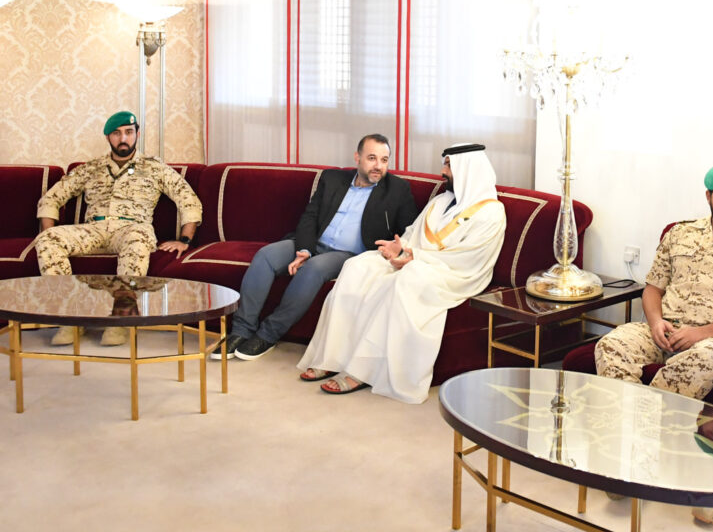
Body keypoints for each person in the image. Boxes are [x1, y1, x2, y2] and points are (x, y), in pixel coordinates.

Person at [296, 143, 506, 403]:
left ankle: (361, 371)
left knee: (410, 277)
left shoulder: (491, 213)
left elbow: (469, 259)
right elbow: (412, 236)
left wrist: (414, 257)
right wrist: (399, 249)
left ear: (468, 169)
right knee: (359, 265)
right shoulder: (440, 202)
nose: (443, 172)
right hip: (416, 262)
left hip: (455, 276)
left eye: (449, 166)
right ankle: (332, 357)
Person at [215, 134, 417, 361]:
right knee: (266, 255)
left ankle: (268, 334)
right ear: (357, 157)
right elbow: (310, 217)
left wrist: (399, 246)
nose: (378, 166)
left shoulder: (398, 189)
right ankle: (241, 330)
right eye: (372, 158)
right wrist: (305, 249)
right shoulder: (332, 179)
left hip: (347, 254)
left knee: (314, 268)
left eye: (384, 160)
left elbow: (410, 231)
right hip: (314, 243)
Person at [595, 161, 713, 400]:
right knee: (611, 343)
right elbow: (653, 289)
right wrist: (656, 323)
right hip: (665, 331)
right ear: (708, 197)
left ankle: (648, 416)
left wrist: (701, 333)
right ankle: (624, 412)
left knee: (703, 359)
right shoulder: (680, 233)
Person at [35, 111, 202, 346]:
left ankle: (121, 320)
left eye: (129, 132)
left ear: (137, 134)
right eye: (116, 133)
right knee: (47, 239)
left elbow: (188, 201)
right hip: (94, 229)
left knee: (138, 239)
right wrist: (47, 229)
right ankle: (70, 319)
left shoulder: (154, 167)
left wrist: (184, 240)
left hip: (132, 227)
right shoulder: (90, 168)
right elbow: (51, 199)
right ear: (108, 137)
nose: (123, 138)